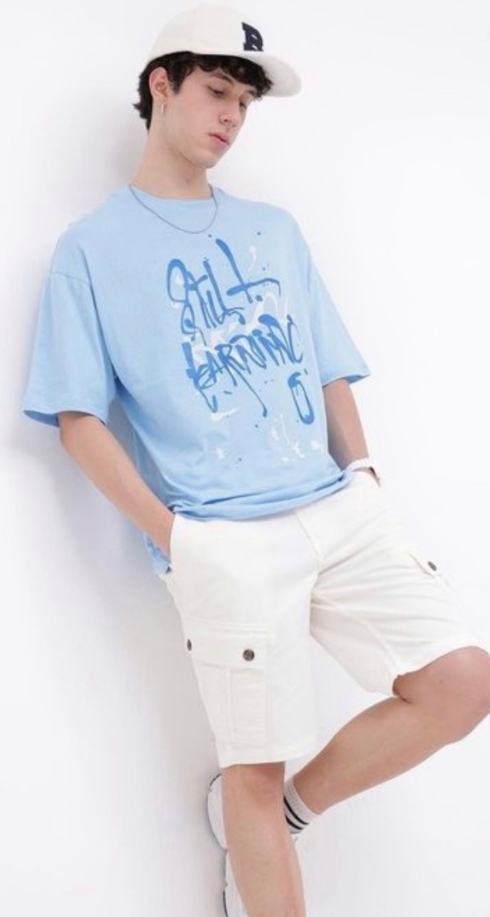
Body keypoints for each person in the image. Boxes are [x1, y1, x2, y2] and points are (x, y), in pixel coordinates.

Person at [22, 5, 490, 916]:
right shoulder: (91, 250)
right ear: (161, 85)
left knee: (462, 681)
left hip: (337, 510)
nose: (232, 116)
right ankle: (257, 836)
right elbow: (77, 419)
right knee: (254, 757)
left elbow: (327, 365)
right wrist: (179, 539)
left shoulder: (274, 229)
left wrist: (365, 476)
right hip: (223, 539)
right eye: (216, 91)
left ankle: (285, 816)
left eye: (244, 101)